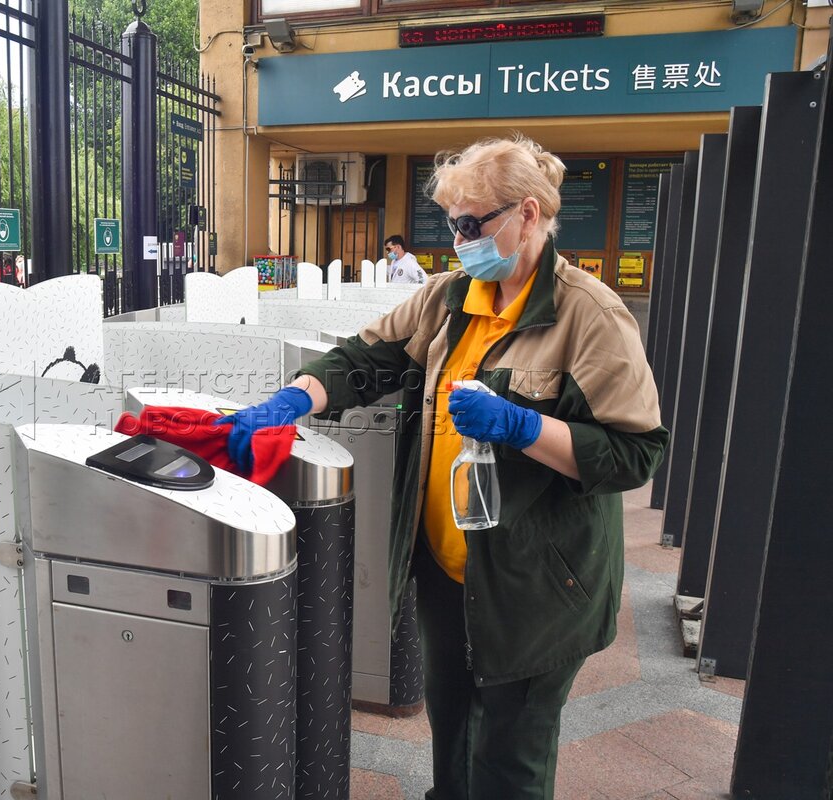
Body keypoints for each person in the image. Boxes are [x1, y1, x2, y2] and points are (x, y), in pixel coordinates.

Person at [220, 135, 668, 800]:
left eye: (471, 224)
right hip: (445, 572)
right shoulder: (448, 298)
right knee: (452, 733)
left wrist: (523, 426)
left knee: (509, 761)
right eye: (452, 224)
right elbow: (362, 359)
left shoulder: (589, 315)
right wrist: (290, 401)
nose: (459, 242)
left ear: (528, 215)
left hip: (536, 586)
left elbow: (634, 452)